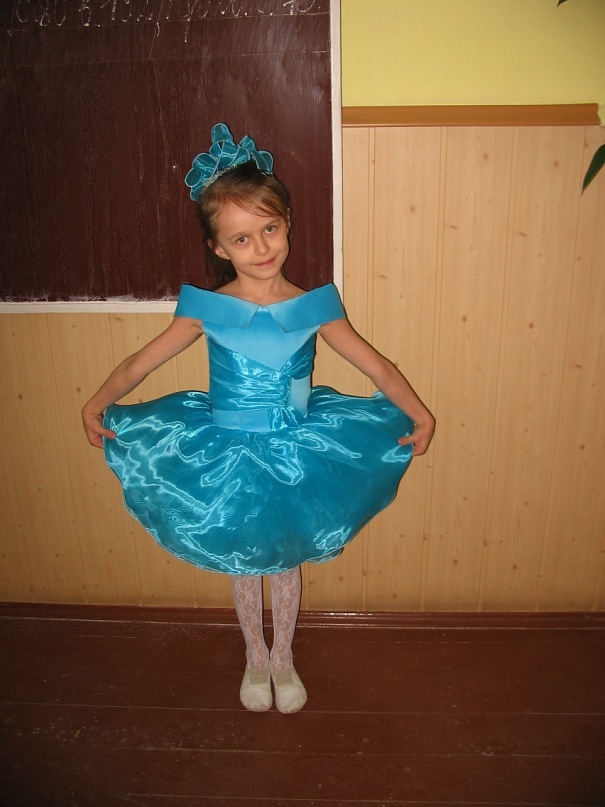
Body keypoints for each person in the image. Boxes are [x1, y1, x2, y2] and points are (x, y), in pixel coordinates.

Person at [82, 123, 435, 715]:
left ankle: (284, 657)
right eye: (242, 238)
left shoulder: (316, 305)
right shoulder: (205, 307)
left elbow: (378, 366)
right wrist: (94, 402)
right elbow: (139, 363)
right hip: (227, 449)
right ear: (220, 249)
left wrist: (420, 414)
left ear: (287, 222)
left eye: (269, 228)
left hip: (297, 448)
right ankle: (254, 654)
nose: (261, 247)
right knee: (244, 561)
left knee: (286, 559)